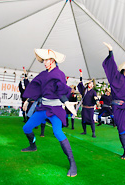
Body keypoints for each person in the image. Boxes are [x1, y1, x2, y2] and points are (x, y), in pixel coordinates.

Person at [22, 48, 77, 177]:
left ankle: (72, 163)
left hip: (56, 109)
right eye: (44, 60)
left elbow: (60, 90)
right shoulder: (43, 74)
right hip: (43, 107)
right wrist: (27, 100)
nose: (45, 62)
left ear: (52, 61)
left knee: (57, 133)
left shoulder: (59, 74)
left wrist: (66, 102)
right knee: (26, 128)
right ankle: (33, 145)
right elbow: (37, 88)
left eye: (47, 60)